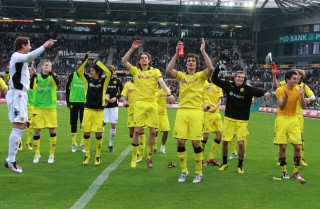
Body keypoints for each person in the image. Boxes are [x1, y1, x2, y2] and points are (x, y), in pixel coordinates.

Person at [5, 37, 55, 173]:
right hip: (17, 95)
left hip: (21, 95)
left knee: (21, 125)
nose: (30, 46)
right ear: (22, 45)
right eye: (29, 44)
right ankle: (10, 160)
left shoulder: (21, 59)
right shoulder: (17, 56)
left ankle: (11, 159)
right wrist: (44, 46)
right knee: (18, 125)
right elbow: (29, 56)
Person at [167, 38, 213, 183]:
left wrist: (203, 52)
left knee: (195, 143)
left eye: (193, 61)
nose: (191, 62)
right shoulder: (181, 76)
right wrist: (176, 54)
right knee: (180, 141)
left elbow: (211, 69)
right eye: (189, 61)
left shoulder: (200, 76)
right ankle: (184, 171)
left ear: (196, 64)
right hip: (182, 111)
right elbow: (168, 70)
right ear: (186, 64)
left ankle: (199, 172)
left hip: (196, 112)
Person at [122, 40, 175, 168]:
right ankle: (134, 156)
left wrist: (169, 93)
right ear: (139, 61)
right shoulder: (135, 71)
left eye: (146, 58)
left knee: (152, 132)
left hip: (152, 104)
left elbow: (162, 83)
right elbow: (124, 61)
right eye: (142, 58)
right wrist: (132, 48)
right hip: (139, 105)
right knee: (137, 131)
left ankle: (149, 157)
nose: (144, 60)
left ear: (149, 60)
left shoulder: (155, 71)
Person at [211, 69, 271, 174]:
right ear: (234, 78)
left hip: (242, 121)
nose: (240, 79)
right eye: (239, 77)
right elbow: (214, 79)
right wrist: (216, 69)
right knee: (225, 142)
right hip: (229, 119)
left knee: (241, 143)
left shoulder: (248, 89)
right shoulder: (228, 85)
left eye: (242, 78)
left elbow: (258, 91)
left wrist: (265, 92)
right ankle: (224, 163)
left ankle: (240, 165)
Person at [272, 68, 315, 167]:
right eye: (294, 76)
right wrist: (274, 76)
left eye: (298, 75)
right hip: (284, 115)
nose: (296, 77)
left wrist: (305, 98)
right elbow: (276, 85)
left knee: (299, 139)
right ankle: (281, 159)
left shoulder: (303, 87)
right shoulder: (287, 83)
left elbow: (313, 96)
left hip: (297, 115)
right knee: (283, 141)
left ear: (301, 76)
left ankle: (301, 159)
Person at [78, 52, 113, 166]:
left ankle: (97, 156)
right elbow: (79, 71)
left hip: (99, 111)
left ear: (97, 72)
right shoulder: (87, 79)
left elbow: (109, 72)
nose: (90, 72)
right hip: (88, 110)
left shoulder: (104, 81)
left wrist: (97, 62)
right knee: (86, 133)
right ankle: (87, 155)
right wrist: (86, 59)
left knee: (98, 134)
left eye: (92, 70)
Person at [274, 70, 306, 179]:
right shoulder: (280, 90)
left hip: (293, 119)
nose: (296, 81)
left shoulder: (298, 90)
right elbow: (281, 107)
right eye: (294, 79)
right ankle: (284, 171)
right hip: (281, 119)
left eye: (297, 79)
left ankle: (296, 171)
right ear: (287, 80)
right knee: (282, 147)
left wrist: (301, 96)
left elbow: (303, 106)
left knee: (298, 146)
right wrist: (286, 97)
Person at [31, 59, 60, 164]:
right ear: (42, 66)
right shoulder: (37, 77)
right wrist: (33, 75)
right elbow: (31, 86)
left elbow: (58, 83)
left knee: (52, 131)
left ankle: (51, 154)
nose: (48, 67)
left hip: (50, 108)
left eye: (50, 65)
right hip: (38, 108)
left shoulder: (52, 77)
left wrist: (51, 72)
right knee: (37, 131)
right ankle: (37, 154)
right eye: (46, 65)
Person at [121, 78, 146, 162]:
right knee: (131, 131)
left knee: (140, 131)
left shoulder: (142, 83)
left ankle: (142, 154)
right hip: (131, 111)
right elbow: (123, 95)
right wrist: (124, 101)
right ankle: (137, 152)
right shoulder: (128, 84)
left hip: (141, 111)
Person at [201, 78, 223, 167]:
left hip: (216, 113)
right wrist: (203, 105)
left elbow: (220, 99)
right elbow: (198, 95)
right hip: (207, 113)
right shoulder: (204, 83)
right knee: (205, 136)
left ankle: (211, 158)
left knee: (219, 136)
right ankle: (200, 158)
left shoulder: (219, 85)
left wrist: (216, 107)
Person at [66, 60, 86, 153]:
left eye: (81, 64)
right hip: (74, 101)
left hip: (84, 102)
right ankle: (74, 143)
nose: (79, 66)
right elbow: (67, 88)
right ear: (76, 66)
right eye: (78, 64)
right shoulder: (72, 75)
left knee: (83, 123)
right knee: (73, 122)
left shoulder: (86, 76)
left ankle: (82, 143)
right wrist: (67, 101)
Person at [103, 65, 123, 152]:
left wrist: (116, 98)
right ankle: (99, 143)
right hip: (104, 105)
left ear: (114, 71)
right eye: (109, 70)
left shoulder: (117, 81)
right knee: (102, 124)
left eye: (112, 70)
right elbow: (100, 91)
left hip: (114, 106)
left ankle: (110, 144)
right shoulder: (103, 80)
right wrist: (105, 98)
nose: (110, 71)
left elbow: (122, 91)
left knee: (113, 125)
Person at [18, 64, 36, 151]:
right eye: (28, 70)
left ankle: (28, 142)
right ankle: (19, 143)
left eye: (31, 70)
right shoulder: (22, 80)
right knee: (20, 124)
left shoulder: (35, 80)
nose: (30, 71)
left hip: (32, 106)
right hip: (22, 105)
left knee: (30, 125)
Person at [156, 83, 171, 154]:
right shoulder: (153, 88)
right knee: (154, 132)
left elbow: (169, 96)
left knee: (166, 130)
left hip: (163, 113)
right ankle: (153, 148)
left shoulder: (166, 89)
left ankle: (162, 147)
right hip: (154, 113)